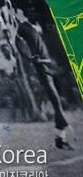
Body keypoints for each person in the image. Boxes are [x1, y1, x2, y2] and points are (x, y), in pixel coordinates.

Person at [14, 8, 73, 149]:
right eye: (32, 13)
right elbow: (17, 43)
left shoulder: (40, 26)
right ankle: (62, 127)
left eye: (36, 12)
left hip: (50, 64)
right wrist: (29, 57)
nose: (35, 14)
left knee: (59, 99)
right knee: (55, 100)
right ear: (27, 14)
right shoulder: (24, 27)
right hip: (41, 67)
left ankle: (60, 139)